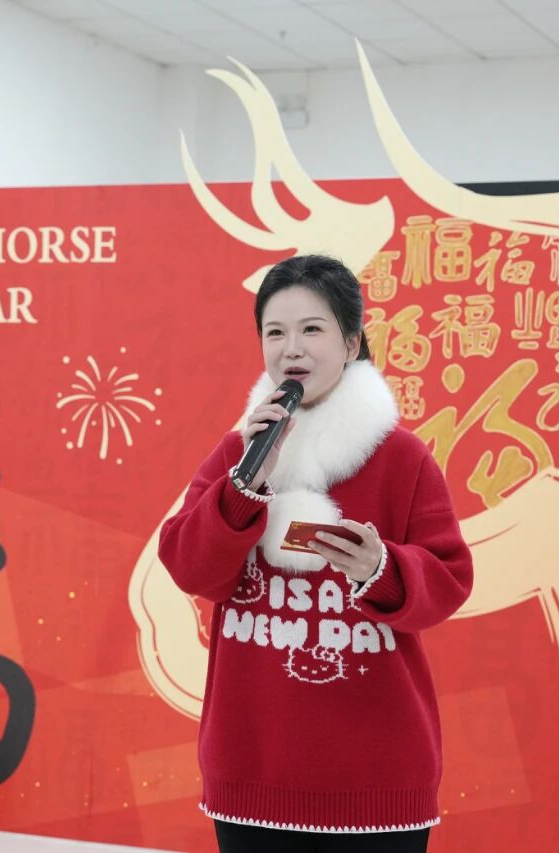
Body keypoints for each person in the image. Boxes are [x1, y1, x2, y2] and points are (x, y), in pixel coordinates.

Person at [158, 254, 474, 853]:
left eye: (312, 329)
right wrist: (245, 486)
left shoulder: (402, 458)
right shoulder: (240, 453)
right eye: (275, 332)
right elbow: (189, 566)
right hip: (252, 773)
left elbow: (449, 580)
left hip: (377, 778)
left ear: (351, 343)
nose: (292, 349)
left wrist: (382, 570)